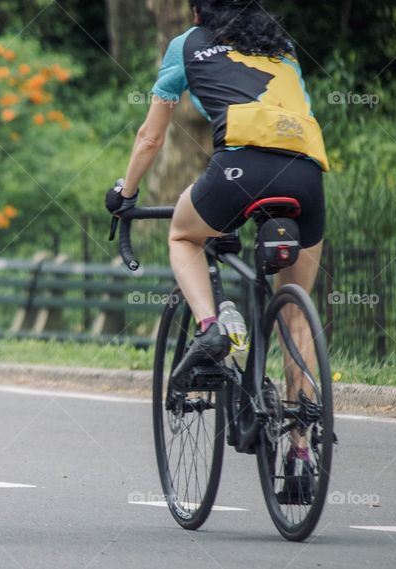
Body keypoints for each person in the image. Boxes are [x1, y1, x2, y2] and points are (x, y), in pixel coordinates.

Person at [105, 0, 328, 504]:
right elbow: (297, 114)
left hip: (237, 171)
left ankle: (210, 329)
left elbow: (151, 135)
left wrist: (127, 194)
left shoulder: (187, 45)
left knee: (184, 236)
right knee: (294, 314)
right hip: (307, 175)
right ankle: (300, 452)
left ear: (197, 10)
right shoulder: (282, 47)